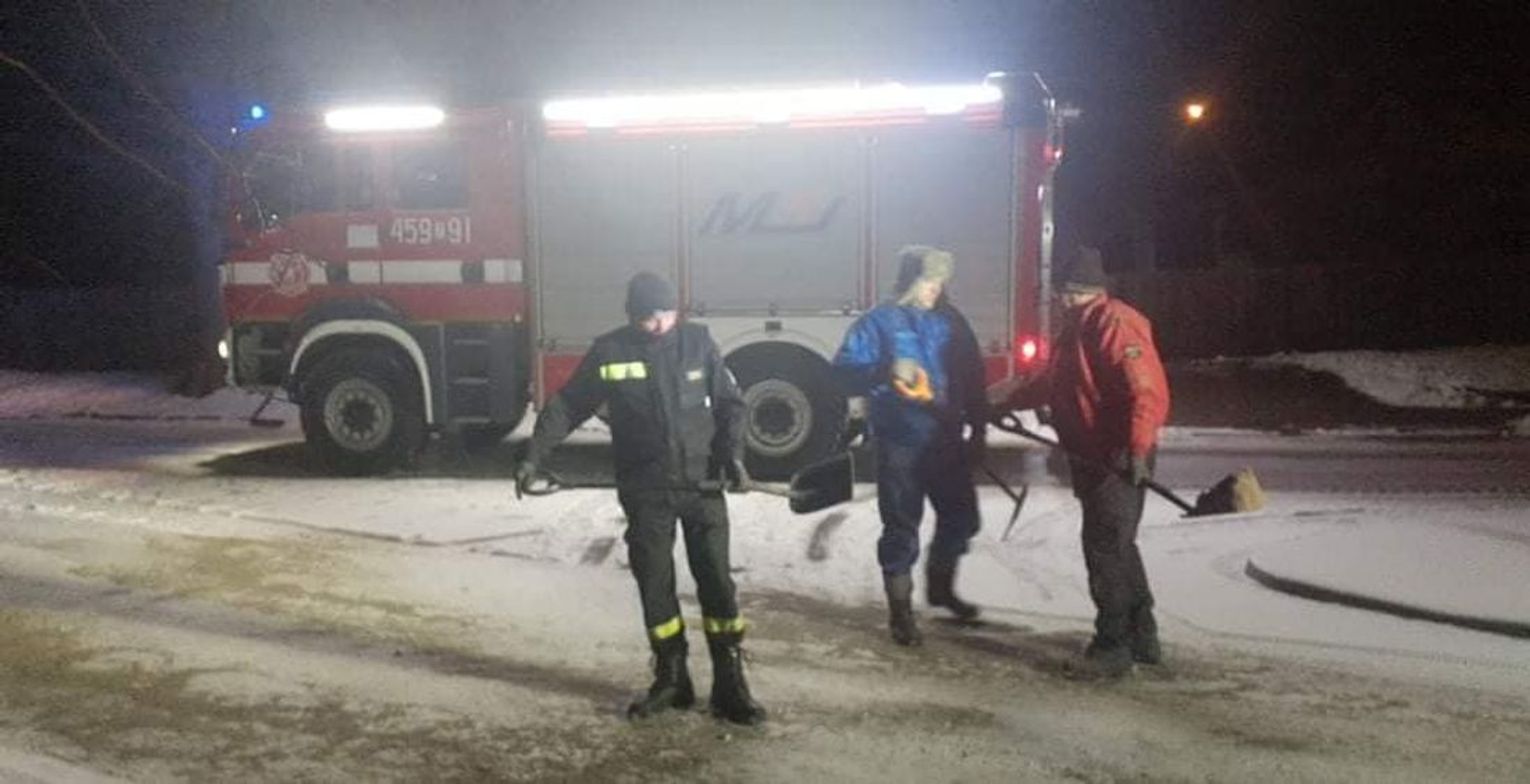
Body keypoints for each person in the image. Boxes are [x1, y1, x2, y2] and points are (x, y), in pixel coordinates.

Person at [515, 271, 766, 725]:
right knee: (654, 582)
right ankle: (672, 677)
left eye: (667, 314)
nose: (660, 324)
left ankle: (730, 682)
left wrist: (733, 457)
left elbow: (732, 405)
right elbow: (569, 405)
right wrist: (534, 456)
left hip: (703, 487)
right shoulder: (610, 351)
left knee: (716, 580)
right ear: (632, 316)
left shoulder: (698, 343)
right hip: (646, 489)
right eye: (650, 317)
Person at [1002, 246, 1170, 677]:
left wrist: (1136, 450)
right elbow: (1055, 382)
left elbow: (1145, 392)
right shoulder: (1078, 325)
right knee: (1117, 544)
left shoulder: (1113, 322)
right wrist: (1005, 401)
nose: (1061, 299)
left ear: (1087, 290)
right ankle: (1142, 635)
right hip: (1094, 454)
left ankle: (1112, 646)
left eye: (1068, 292)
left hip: (1116, 454)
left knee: (1105, 548)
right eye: (1061, 292)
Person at [833, 245, 988, 646]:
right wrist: (885, 370)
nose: (934, 288)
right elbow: (844, 372)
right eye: (927, 281)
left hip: (946, 439)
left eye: (939, 281)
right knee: (902, 526)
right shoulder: (880, 321)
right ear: (909, 282)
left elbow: (973, 376)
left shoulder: (952, 321)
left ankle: (940, 588)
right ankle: (900, 611)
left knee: (962, 519)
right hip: (900, 441)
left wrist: (979, 428)